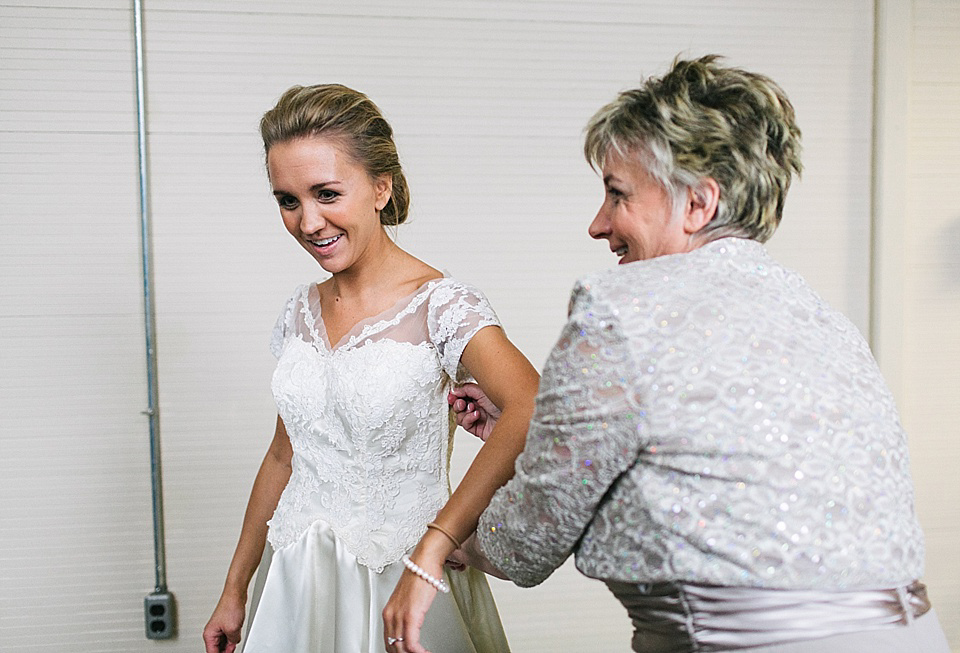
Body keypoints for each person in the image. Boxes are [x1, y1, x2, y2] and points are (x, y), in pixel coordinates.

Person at [409, 55, 951, 652]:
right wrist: (553, 440)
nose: (598, 224)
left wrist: (450, 540)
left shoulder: (618, 309)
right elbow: (702, 470)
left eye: (617, 195)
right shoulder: (825, 319)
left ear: (697, 203)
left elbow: (529, 540)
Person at [201, 84, 539, 653]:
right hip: (296, 583)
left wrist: (439, 540)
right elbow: (286, 455)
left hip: (401, 575)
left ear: (381, 187)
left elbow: (529, 406)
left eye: (327, 193)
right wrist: (234, 589)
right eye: (288, 200)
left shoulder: (441, 304)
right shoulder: (298, 311)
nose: (308, 222)